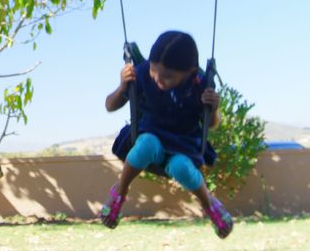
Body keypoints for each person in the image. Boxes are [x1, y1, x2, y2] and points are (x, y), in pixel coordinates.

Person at [99, 30, 233, 238]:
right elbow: (110, 105)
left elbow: (211, 125)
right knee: (147, 145)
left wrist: (213, 109)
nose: (158, 79)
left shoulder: (199, 84)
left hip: (184, 147)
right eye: (154, 71)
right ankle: (120, 191)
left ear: (189, 71)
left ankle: (209, 204)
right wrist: (122, 87)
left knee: (181, 168)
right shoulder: (142, 73)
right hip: (148, 135)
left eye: (168, 76)